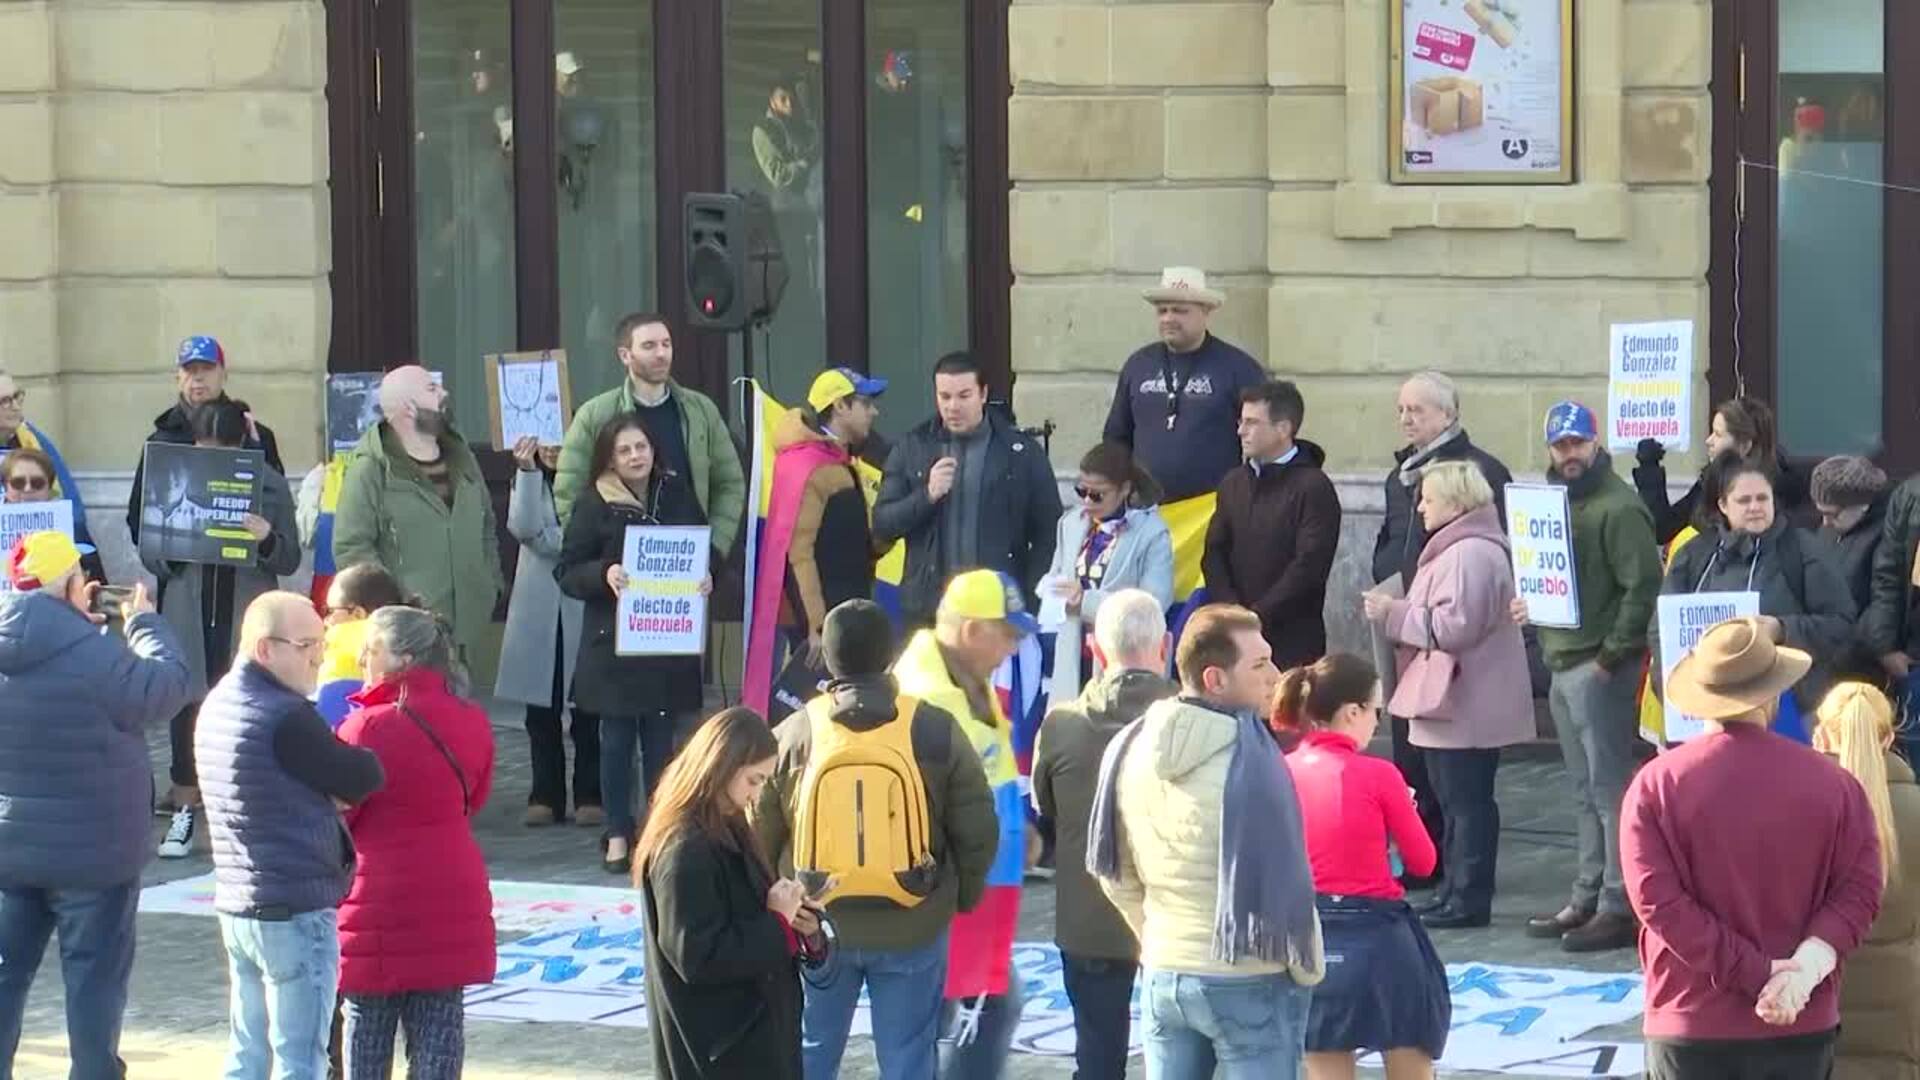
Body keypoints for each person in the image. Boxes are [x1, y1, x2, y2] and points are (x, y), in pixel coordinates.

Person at [1623, 617, 1884, 1077]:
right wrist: (1799, 973)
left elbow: (1658, 904)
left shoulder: (1656, 785)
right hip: (1802, 1019)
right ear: (1774, 695)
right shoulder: (1837, 786)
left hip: (1691, 1021)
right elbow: (1861, 892)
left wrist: (1757, 972)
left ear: (1701, 699)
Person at [752, 598, 999, 1080]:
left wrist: (774, 906)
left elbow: (758, 830)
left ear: (826, 658)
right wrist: (960, 898)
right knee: (908, 1057)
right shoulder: (932, 728)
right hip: (913, 921)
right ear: (890, 656)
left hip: (817, 926)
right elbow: (977, 828)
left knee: (810, 1051)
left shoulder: (797, 731)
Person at [1089, 603, 1325, 1079]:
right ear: (1215, 679)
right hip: (1248, 979)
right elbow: (1288, 888)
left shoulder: (1128, 746)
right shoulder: (1254, 765)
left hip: (1164, 968)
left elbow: (1113, 870)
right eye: (1259, 665)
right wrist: (1307, 972)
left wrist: (1157, 938)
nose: (1275, 675)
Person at [0, 534, 190, 1080]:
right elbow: (170, 686)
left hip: (12, 850)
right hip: (95, 858)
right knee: (93, 987)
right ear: (72, 585)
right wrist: (145, 623)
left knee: (6, 979)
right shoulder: (97, 654)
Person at [197, 592, 387, 1080]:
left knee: (248, 1054)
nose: (318, 657)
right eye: (306, 646)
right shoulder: (286, 715)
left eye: (320, 643)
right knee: (301, 1059)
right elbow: (361, 775)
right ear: (265, 649)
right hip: (293, 906)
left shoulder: (219, 701)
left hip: (241, 902)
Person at [1511, 401, 1661, 953]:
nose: (1569, 453)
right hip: (1563, 657)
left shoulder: (1618, 507)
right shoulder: (1550, 506)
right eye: (1560, 445)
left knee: (1609, 788)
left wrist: (1610, 657)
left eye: (1578, 443)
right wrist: (1533, 609)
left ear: (1596, 443)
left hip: (1598, 664)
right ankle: (1588, 892)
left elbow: (1642, 587)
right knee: (1582, 789)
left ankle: (1619, 903)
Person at [1363, 460, 1533, 930]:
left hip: (1464, 699)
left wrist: (1393, 613)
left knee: (1467, 804)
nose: (1420, 507)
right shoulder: (1459, 550)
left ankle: (1468, 898)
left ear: (1456, 503)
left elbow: (1453, 627)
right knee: (1459, 803)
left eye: (1429, 498)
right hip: (1455, 698)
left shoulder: (1469, 554)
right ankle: (1455, 891)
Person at [336, 607, 496, 1080]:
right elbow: (476, 797)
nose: (363, 656)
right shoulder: (471, 719)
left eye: (373, 647)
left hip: (376, 897)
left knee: (367, 1025)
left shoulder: (363, 727)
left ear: (403, 658)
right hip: (452, 888)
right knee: (441, 1025)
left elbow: (344, 810)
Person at [1369, 374, 1515, 890]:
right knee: (1420, 762)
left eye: (1418, 410)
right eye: (1402, 409)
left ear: (1447, 415)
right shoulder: (1401, 474)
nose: (1406, 418)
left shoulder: (1479, 473)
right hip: (1414, 631)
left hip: (1446, 648)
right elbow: (1390, 538)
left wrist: (1397, 612)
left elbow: (1461, 622)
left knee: (1460, 783)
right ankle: (1426, 862)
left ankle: (1460, 880)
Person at [889, 570, 1035, 1079]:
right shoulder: (933, 695)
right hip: (946, 896)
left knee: (978, 1008)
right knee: (974, 1008)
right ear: (974, 631)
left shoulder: (964, 678)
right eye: (1008, 634)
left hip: (970, 889)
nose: (1013, 648)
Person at [1276, 653, 1448, 1080]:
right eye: (1376, 710)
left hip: (1308, 933)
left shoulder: (1281, 769)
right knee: (1409, 1044)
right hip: (1380, 937)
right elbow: (1424, 862)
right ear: (1352, 712)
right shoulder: (1379, 774)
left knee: (1325, 1057)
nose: (1377, 721)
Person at [557, 413, 712, 874]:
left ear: (653, 449)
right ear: (609, 457)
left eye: (640, 447)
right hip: (615, 646)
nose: (634, 456)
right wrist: (603, 575)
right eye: (623, 450)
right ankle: (618, 833)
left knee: (663, 743)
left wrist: (706, 576)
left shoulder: (676, 492)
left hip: (667, 640)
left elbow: (701, 547)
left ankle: (659, 831)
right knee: (617, 743)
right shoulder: (594, 503)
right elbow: (566, 571)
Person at [148, 399, 303, 861]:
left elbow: (289, 557)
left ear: (241, 445)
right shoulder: (175, 476)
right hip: (189, 611)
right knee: (187, 706)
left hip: (241, 612)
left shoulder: (269, 484)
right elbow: (151, 552)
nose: (210, 459)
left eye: (222, 450)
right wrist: (176, 541)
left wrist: (266, 538)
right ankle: (184, 810)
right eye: (203, 448)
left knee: (242, 709)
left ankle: (240, 816)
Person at [1031, 590, 1173, 1080]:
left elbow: (1046, 810)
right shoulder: (1198, 721)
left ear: (1094, 649)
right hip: (1176, 921)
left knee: (1096, 1055)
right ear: (1165, 645)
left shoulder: (1061, 725)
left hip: (1090, 918)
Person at [642, 708, 813, 1079]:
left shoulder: (726, 824)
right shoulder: (685, 847)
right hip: (720, 1048)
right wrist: (777, 922)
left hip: (749, 1037)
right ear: (722, 765)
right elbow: (696, 956)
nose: (755, 795)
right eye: (753, 780)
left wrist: (798, 920)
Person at [1650, 452, 1857, 741]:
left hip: (1790, 711)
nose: (1755, 507)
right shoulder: (1694, 555)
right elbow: (1662, 630)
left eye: (1762, 498)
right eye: (1744, 501)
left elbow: (1841, 624)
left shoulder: (1803, 551)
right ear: (1722, 505)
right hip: (1707, 713)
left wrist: (1782, 629)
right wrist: (1672, 692)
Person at [332, 365, 504, 667]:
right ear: (408, 409)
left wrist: (490, 583)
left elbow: (486, 525)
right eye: (431, 389)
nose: (444, 393)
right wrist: (392, 609)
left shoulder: (461, 457)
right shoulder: (371, 468)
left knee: (459, 711)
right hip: (408, 639)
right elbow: (352, 548)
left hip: (467, 627)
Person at [874, 352, 1061, 628]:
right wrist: (926, 496)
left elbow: (1050, 532)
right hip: (929, 609)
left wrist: (1030, 595)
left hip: (996, 608)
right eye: (944, 396)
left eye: (963, 396)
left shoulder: (1020, 451)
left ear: (983, 394)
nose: (953, 406)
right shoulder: (912, 446)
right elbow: (882, 523)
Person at [744, 367, 887, 716]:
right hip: (821, 630)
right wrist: (817, 626)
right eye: (866, 403)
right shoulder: (811, 465)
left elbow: (849, 542)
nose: (874, 412)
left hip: (842, 617)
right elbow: (798, 553)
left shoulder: (833, 460)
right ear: (840, 406)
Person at [552, 313, 746, 561]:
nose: (661, 354)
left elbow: (729, 483)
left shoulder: (700, 411)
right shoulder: (595, 415)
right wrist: (598, 563)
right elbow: (569, 491)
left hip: (688, 562)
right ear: (625, 355)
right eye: (649, 346)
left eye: (666, 344)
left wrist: (714, 550)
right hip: (620, 573)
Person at [1811, 683, 1920, 1078]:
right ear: (1890, 735)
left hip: (1819, 1000)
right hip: (1906, 1001)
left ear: (1820, 736)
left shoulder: (1801, 817)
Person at [1201, 380, 1342, 671]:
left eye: (1252, 422)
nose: (1241, 431)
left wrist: (1258, 615)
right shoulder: (1233, 483)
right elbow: (1214, 552)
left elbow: (1309, 566)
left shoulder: (1313, 487)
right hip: (1234, 638)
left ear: (1283, 429)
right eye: (1241, 421)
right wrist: (1231, 611)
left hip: (1291, 642)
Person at [496, 435, 600, 827]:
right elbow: (523, 527)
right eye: (546, 441)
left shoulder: (592, 481)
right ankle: (545, 794)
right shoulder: (528, 480)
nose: (553, 449)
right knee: (541, 709)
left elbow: (590, 535)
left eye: (562, 439)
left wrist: (549, 539)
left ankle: (591, 793)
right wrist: (526, 471)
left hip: (583, 602)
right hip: (538, 608)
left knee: (589, 707)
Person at [1102, 267, 1268, 503]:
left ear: (1206, 311)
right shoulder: (1138, 365)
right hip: (1144, 514)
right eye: (1162, 311)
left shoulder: (1239, 368)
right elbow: (1116, 438)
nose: (1168, 318)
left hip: (1212, 514)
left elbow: (1263, 443)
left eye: (1180, 311)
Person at [127, 335, 286, 546]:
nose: (198, 377)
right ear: (178, 378)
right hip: (181, 571)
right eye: (190, 369)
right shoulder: (161, 442)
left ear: (224, 375)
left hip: (246, 569)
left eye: (207, 368)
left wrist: (252, 452)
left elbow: (279, 512)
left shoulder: (256, 435)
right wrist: (170, 558)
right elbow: (138, 517)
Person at [1041, 443, 1174, 691]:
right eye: (1081, 491)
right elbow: (1056, 575)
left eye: (1097, 495)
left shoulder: (1152, 533)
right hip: (1072, 655)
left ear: (1124, 489)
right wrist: (1051, 591)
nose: (1087, 502)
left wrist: (1085, 601)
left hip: (1126, 661)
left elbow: (1153, 604)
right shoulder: (1070, 523)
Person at [1631, 396, 1808, 545]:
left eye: (1718, 434)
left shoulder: (1777, 496)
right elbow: (1663, 528)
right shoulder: (1710, 481)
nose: (1709, 441)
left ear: (1744, 446)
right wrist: (1649, 468)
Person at [0, 371, 105, 567]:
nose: (15, 406)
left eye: (17, 396)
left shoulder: (33, 439)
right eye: (5, 401)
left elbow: (68, 500)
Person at [1810, 455, 1890, 683]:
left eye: (1832, 514)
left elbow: (1884, 602)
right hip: (1828, 655)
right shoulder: (1832, 530)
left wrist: (1840, 645)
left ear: (1863, 505)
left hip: (1861, 663)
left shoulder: (1888, 535)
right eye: (1821, 512)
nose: (1825, 522)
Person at [316, 562, 413, 728]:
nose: (326, 621)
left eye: (330, 611)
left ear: (358, 614)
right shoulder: (421, 641)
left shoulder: (336, 652)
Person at [1, 447, 107, 583]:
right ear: (5, 486)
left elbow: (96, 583)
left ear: (49, 488)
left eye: (37, 483)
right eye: (18, 483)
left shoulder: (73, 529)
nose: (27, 489)